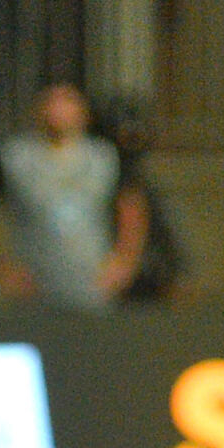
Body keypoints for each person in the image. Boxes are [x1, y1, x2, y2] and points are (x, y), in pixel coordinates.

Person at [0, 83, 132, 310]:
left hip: (91, 280)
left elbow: (130, 206)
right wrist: (4, 267)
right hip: (34, 281)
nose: (57, 110)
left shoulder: (104, 156)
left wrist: (124, 262)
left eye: (66, 101)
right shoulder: (15, 156)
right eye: (51, 102)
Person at [94, 94, 187, 304]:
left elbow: (133, 216)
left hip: (143, 278)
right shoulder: (106, 168)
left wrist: (125, 264)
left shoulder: (132, 176)